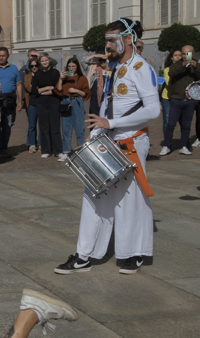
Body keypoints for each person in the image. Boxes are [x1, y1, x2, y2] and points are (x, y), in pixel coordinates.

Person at [55, 18, 158, 275]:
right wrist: (98, 131)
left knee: (130, 199)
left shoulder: (141, 68)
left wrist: (110, 122)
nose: (108, 45)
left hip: (132, 141)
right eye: (107, 40)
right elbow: (107, 105)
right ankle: (84, 254)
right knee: (92, 195)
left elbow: (153, 110)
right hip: (108, 140)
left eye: (113, 39)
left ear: (128, 38)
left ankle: (133, 253)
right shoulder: (113, 67)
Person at [159, 44, 200, 156]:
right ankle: (167, 145)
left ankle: (183, 146)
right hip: (176, 99)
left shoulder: (196, 65)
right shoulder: (176, 65)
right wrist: (183, 65)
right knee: (170, 124)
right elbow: (171, 73)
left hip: (190, 99)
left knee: (186, 124)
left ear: (193, 54)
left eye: (187, 53)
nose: (184, 56)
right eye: (183, 53)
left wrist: (196, 66)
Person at [25, 52, 64, 159]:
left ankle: (58, 150)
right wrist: (47, 88)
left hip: (54, 101)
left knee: (55, 126)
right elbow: (33, 90)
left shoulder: (55, 72)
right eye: (42, 61)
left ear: (49, 60)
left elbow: (57, 90)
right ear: (40, 62)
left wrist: (42, 91)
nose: (44, 62)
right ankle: (46, 150)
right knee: (43, 126)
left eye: (46, 60)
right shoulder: (38, 74)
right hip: (41, 102)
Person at [0, 47, 22, 156]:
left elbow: (18, 85)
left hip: (10, 101)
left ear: (7, 56)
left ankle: (4, 147)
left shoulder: (14, 68)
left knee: (7, 125)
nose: (1, 58)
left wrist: (20, 101)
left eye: (3, 55)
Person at [59, 56, 90, 154]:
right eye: (69, 66)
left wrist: (76, 90)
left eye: (73, 66)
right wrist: (60, 79)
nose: (71, 68)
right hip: (65, 102)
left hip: (77, 102)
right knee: (66, 129)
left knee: (79, 128)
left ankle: (81, 152)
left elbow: (86, 94)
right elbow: (58, 90)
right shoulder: (64, 78)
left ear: (77, 67)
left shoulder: (82, 78)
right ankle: (66, 151)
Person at [158, 49, 179, 150]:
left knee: (183, 122)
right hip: (167, 98)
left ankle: (184, 143)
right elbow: (169, 84)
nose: (178, 57)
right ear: (171, 57)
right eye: (175, 55)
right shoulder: (168, 69)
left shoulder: (186, 69)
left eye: (180, 55)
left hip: (180, 98)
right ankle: (167, 144)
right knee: (167, 121)